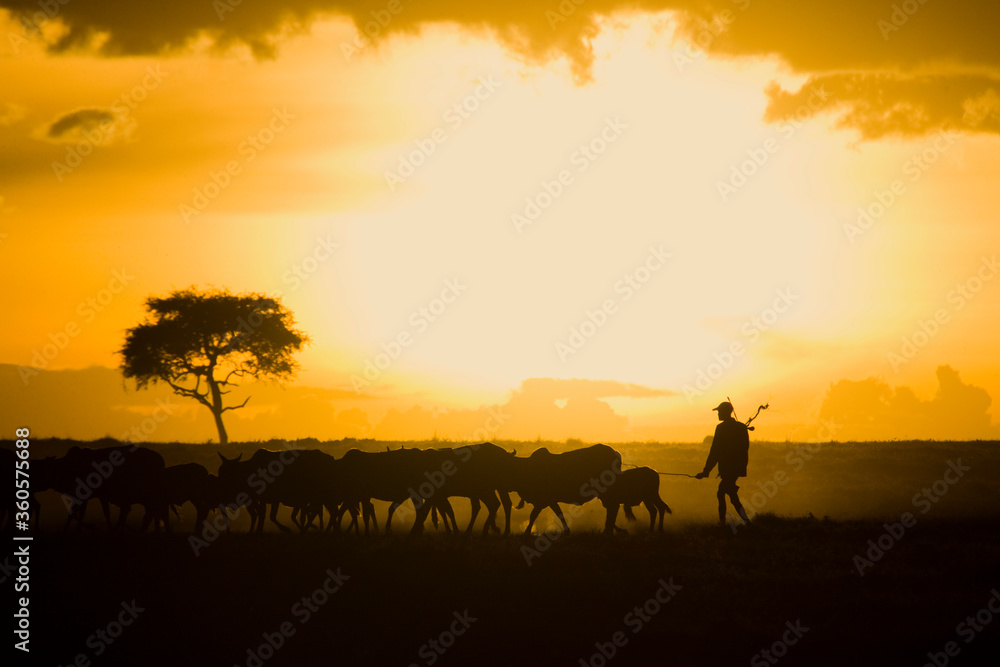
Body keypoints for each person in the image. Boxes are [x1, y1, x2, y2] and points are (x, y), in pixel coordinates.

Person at [695, 401, 751, 526]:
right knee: (730, 495)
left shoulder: (721, 428)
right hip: (737, 468)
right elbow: (744, 449)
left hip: (728, 469)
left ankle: (726, 523)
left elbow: (715, 451)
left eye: (720, 412)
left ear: (726, 412)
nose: (718, 414)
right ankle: (744, 522)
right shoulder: (741, 427)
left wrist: (706, 471)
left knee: (722, 494)